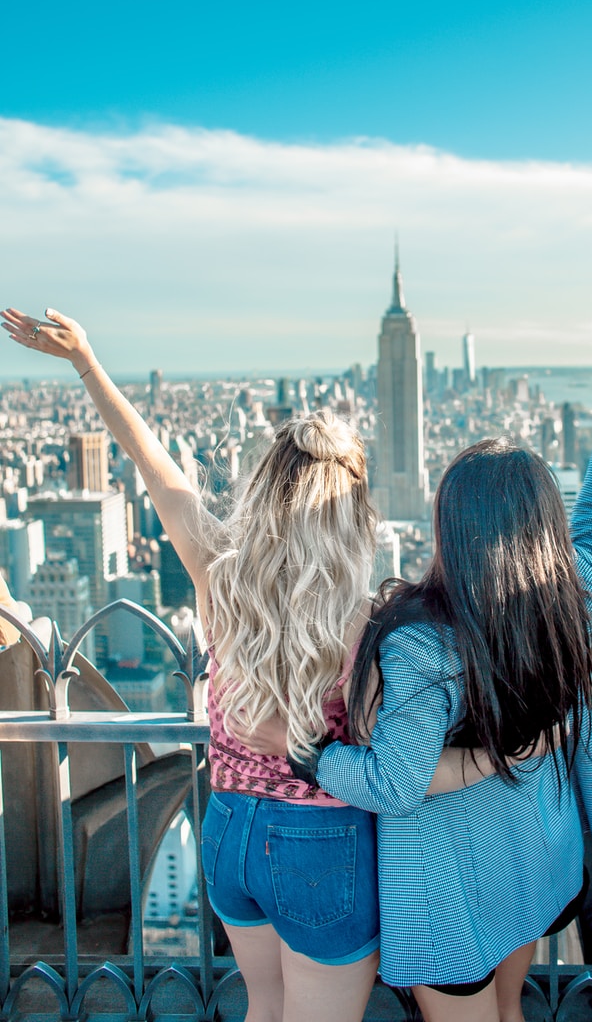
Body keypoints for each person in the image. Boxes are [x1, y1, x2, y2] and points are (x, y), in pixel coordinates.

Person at [0, 304, 476, 1022]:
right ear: (350, 507)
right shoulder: (373, 620)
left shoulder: (220, 573)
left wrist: (87, 362)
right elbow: (391, 765)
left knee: (262, 1007)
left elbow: (153, 467)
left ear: (269, 489)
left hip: (228, 828)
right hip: (322, 840)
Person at [269, 293, 592, 1022]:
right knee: (512, 1009)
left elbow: (396, 784)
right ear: (542, 525)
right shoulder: (575, 598)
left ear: (449, 528)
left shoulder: (418, 641)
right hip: (536, 862)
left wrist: (315, 760)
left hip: (455, 891)